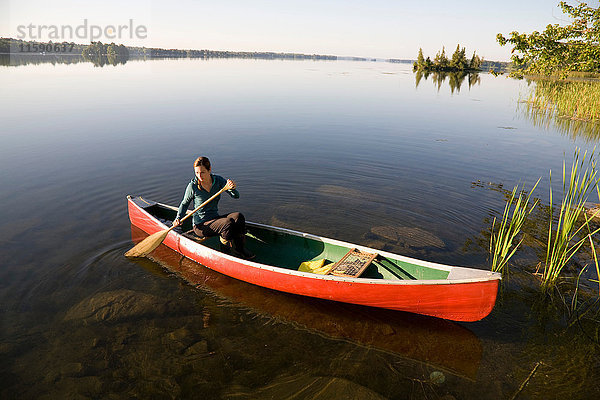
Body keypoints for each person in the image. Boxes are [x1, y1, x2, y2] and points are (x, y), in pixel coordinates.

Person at [172, 156, 254, 259]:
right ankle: (225, 253)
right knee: (227, 224)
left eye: (202, 172)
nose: (199, 176)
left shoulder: (218, 180)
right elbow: (184, 204)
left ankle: (239, 249)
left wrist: (232, 188)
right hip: (201, 226)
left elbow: (236, 196)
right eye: (197, 173)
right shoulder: (193, 186)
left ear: (209, 170)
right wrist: (178, 218)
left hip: (214, 219)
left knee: (238, 216)